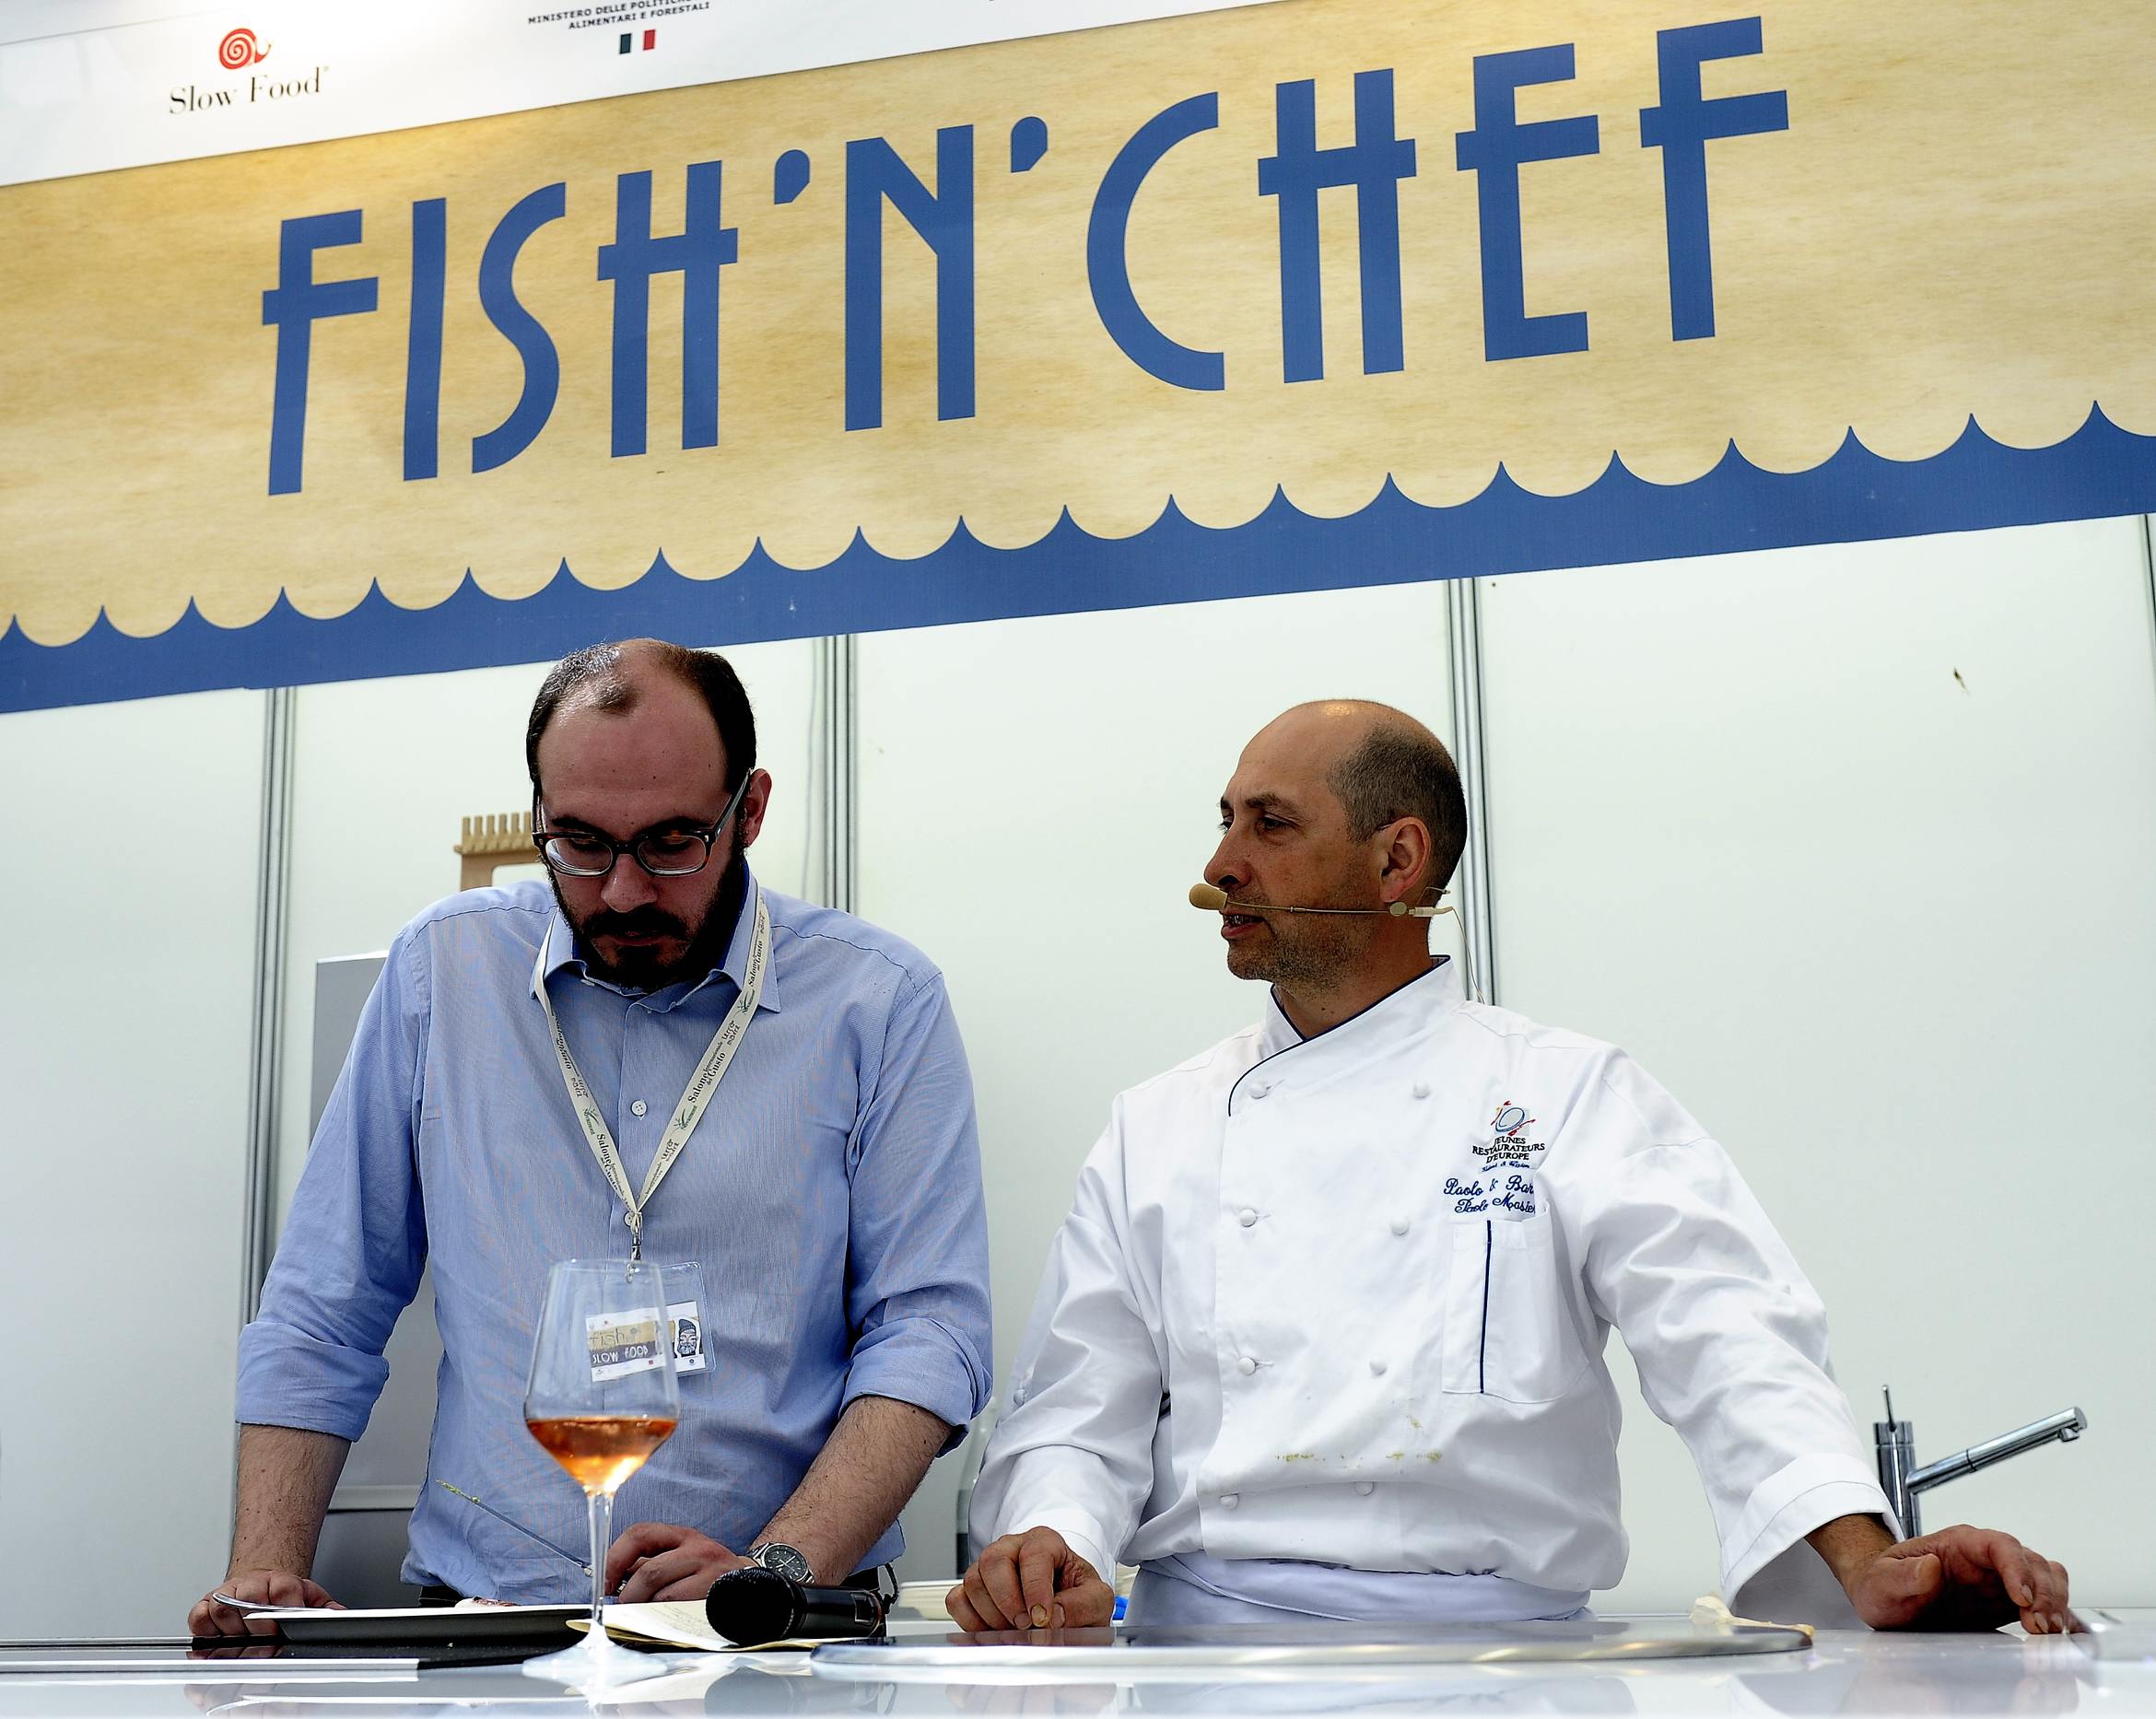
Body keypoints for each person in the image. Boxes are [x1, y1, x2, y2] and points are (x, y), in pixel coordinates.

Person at [952, 700, 2071, 1634]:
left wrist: (1864, 1556)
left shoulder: (1567, 1093)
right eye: (1225, 820)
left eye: (1271, 825)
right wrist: (1052, 1543)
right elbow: (1077, 1403)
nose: (1219, 866)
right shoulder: (1159, 1125)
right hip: (1202, 1657)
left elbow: (1730, 1342)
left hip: (1504, 1663)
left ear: (1397, 860)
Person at [193, 639, 991, 1635]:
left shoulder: (879, 1002)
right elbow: (323, 1306)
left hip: (778, 1634)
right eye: (578, 842)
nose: (620, 892)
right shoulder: (443, 974)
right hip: (488, 1628)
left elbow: (930, 1334)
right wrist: (265, 1574)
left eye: (670, 844)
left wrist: (770, 1576)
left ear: (749, 811)